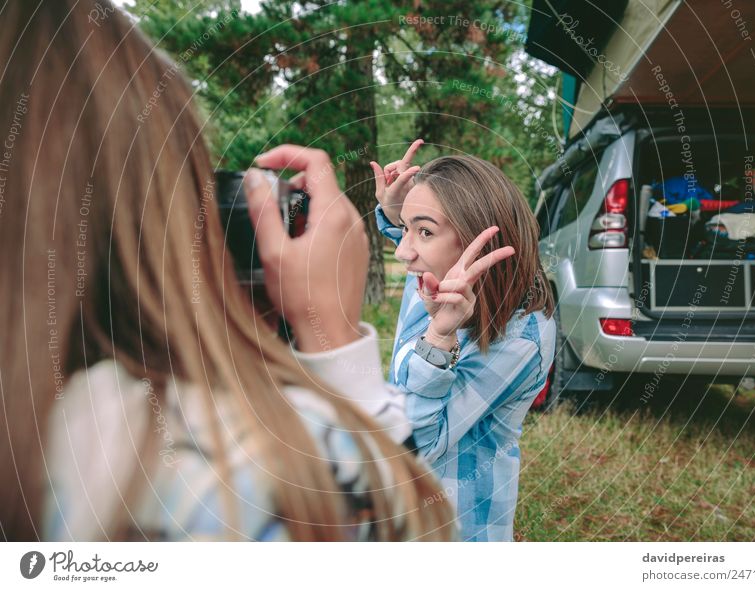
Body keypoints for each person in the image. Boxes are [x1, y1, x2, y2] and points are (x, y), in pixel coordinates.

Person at [0, 1, 454, 541]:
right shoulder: (225, 473)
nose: (405, 250)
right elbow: (408, 531)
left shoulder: (47, 438)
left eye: (425, 232)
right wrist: (332, 333)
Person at [370, 142, 556, 541]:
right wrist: (395, 213)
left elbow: (418, 446)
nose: (403, 253)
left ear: (477, 241)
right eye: (406, 230)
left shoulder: (521, 337)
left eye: (423, 231)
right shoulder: (436, 274)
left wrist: (438, 339)